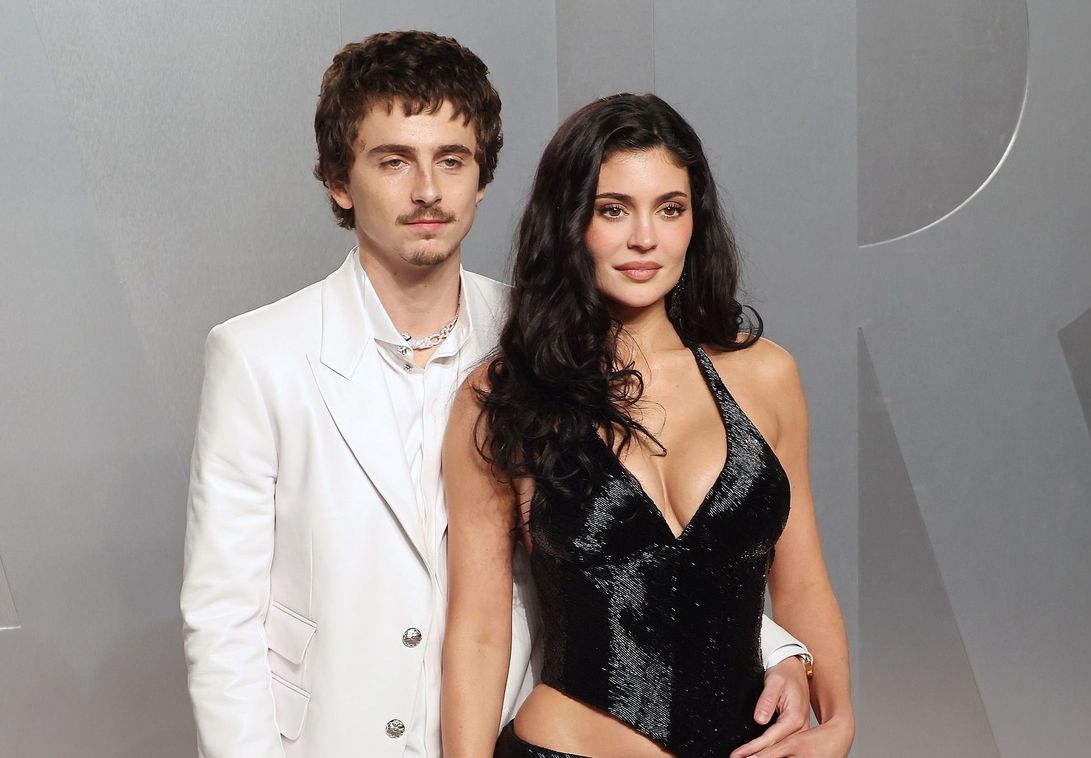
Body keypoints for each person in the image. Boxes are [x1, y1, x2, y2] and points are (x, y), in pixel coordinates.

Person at [181, 31, 812, 758]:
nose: (427, 190)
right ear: (338, 180)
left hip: (510, 731)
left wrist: (779, 652)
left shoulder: (554, 338)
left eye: (452, 160)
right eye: (394, 161)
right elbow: (222, 620)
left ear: (482, 178)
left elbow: (653, 549)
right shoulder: (258, 356)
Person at [442, 94, 854, 758]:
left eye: (669, 208)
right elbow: (479, 630)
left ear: (695, 221)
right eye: (613, 210)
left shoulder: (766, 376)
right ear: (569, 221)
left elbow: (801, 581)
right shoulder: (504, 398)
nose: (645, 238)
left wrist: (838, 720)